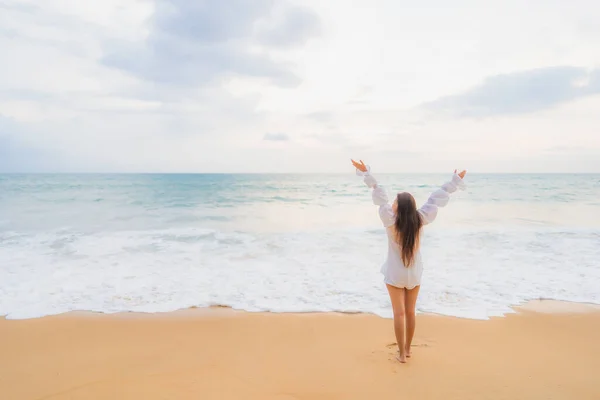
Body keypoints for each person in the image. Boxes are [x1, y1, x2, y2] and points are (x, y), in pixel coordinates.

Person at [352, 159, 467, 363]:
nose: (392, 204)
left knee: (399, 314)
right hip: (413, 273)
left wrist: (366, 174)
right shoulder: (419, 220)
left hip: (395, 273)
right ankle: (408, 349)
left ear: (398, 207)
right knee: (411, 312)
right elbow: (435, 199)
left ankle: (401, 354)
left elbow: (379, 196)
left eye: (395, 203)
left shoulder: (390, 220)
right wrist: (454, 181)